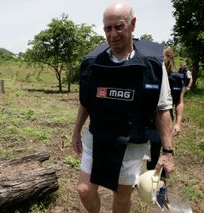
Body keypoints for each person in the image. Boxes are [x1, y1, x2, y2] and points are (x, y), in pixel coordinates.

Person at [71, 2, 174, 212]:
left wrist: (168, 151)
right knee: (84, 189)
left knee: (122, 193)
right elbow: (85, 103)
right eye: (107, 28)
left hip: (132, 141)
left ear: (132, 24)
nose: (113, 34)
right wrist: (75, 132)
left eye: (119, 26)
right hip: (97, 136)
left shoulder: (152, 65)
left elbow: (162, 109)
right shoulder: (93, 63)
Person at [147, 47, 184, 171]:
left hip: (164, 121)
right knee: (148, 153)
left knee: (162, 151)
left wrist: (178, 123)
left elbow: (179, 101)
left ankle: (159, 183)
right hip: (147, 120)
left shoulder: (176, 78)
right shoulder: (151, 74)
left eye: (163, 56)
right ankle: (143, 181)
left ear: (169, 58)